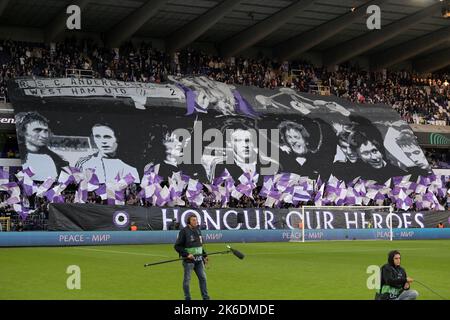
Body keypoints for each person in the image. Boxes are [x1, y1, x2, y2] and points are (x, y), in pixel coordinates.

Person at [213, 117, 278, 183]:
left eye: (248, 140)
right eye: (238, 140)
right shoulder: (222, 166)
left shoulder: (270, 164)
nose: (245, 145)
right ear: (229, 143)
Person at [76, 123, 140, 183]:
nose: (103, 141)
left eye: (107, 137)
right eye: (97, 136)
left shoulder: (130, 169)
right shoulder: (83, 163)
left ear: (117, 138)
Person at [15, 111, 69, 180]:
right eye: (37, 130)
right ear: (22, 132)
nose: (44, 135)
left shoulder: (55, 159)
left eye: (45, 131)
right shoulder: (16, 156)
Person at [174, 214, 210, 300]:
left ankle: (205, 297)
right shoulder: (183, 231)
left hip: (199, 260)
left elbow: (199, 245)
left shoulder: (198, 230)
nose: (196, 222)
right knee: (187, 281)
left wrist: (204, 255)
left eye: (196, 220)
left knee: (203, 279)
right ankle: (187, 298)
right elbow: (177, 246)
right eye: (193, 220)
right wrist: (187, 254)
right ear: (189, 222)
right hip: (189, 261)